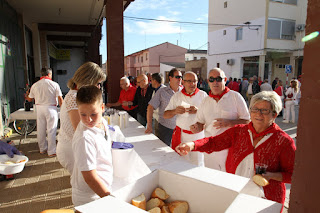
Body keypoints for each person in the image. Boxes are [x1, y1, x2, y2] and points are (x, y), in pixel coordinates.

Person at [175, 91, 296, 209]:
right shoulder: (239, 131)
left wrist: (271, 176)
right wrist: (192, 145)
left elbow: (293, 175)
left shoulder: (283, 141)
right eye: (255, 109)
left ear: (274, 114)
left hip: (266, 199)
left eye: (264, 110)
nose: (258, 114)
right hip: (237, 193)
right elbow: (213, 142)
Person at [189, 68, 250, 171]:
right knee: (212, 179)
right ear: (208, 81)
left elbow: (248, 121)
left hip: (231, 149)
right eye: (212, 79)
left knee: (229, 180)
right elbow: (201, 122)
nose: (215, 82)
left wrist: (230, 123)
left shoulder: (235, 97)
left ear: (225, 80)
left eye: (218, 79)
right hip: (211, 150)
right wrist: (196, 127)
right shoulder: (205, 101)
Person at [71, 86, 122, 206]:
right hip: (90, 198)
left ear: (102, 108)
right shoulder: (84, 138)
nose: (88, 119)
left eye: (93, 114)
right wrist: (110, 200)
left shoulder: (102, 122)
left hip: (102, 189)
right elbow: (90, 178)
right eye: (83, 114)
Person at [57, 62, 106, 174]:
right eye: (98, 83)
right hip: (70, 150)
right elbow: (80, 128)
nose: (98, 87)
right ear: (89, 80)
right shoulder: (74, 97)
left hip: (72, 148)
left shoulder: (76, 95)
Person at [164, 71, 207, 165]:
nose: (192, 84)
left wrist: (198, 111)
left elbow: (210, 115)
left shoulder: (203, 95)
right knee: (181, 164)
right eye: (189, 81)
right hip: (182, 136)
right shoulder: (177, 96)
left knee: (198, 164)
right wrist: (175, 111)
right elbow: (165, 115)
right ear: (183, 82)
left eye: (195, 81)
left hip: (198, 137)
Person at [27, 68, 63, 157]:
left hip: (39, 108)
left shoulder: (35, 85)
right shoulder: (54, 84)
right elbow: (60, 99)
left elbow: (30, 99)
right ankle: (51, 151)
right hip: (51, 108)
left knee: (40, 129)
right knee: (51, 130)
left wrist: (26, 95)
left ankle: (42, 149)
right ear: (49, 74)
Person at [147, 69, 182, 145]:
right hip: (165, 129)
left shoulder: (183, 92)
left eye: (181, 77)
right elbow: (150, 107)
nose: (180, 79)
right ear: (170, 78)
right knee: (163, 153)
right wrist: (149, 125)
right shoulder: (162, 91)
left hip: (180, 129)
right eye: (177, 77)